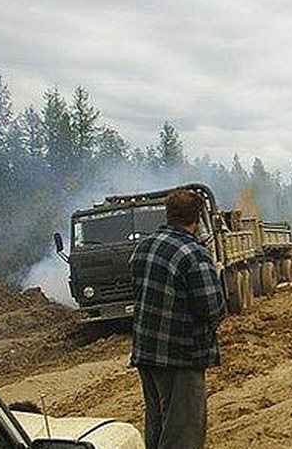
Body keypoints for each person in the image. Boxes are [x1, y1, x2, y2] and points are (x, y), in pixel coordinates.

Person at [129, 189, 226, 449]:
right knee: (183, 434)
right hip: (181, 357)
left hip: (146, 354)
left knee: (157, 428)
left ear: (169, 214)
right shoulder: (195, 254)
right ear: (197, 218)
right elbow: (212, 307)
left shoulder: (143, 247)